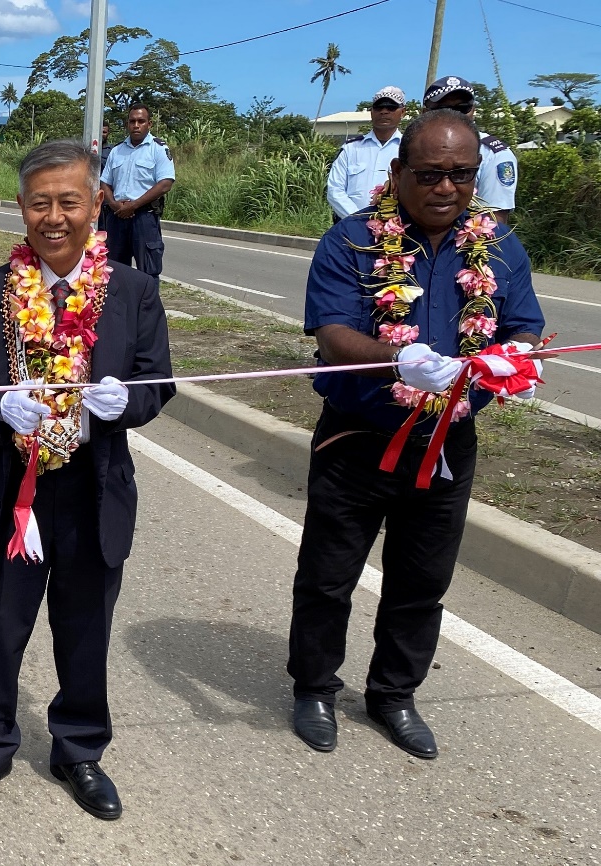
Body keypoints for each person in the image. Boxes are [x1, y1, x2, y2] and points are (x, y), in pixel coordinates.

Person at [288, 109, 545, 760]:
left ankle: (394, 694)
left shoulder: (500, 247)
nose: (446, 188)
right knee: (327, 576)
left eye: (462, 174)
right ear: (398, 173)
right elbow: (332, 333)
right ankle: (314, 687)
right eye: (430, 173)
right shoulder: (351, 242)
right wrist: (393, 359)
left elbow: (523, 326)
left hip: (448, 443)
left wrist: (519, 360)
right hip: (358, 437)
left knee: (422, 580)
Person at [0, 139, 174, 821]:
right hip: (8, 491)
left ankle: (79, 749)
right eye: (40, 203)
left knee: (84, 629)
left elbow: (159, 382)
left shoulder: (133, 292)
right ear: (19, 208)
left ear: (96, 202)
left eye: (69, 201)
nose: (55, 216)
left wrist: (128, 402)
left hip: (93, 489)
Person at [422, 76, 518, 222]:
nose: (454, 115)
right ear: (425, 113)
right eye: (443, 109)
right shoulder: (413, 148)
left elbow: (494, 222)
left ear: (473, 110)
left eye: (462, 108)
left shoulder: (494, 155)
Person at [100, 104, 175, 288]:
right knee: (114, 270)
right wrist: (115, 205)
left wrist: (133, 205)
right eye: (132, 121)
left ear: (149, 124)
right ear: (127, 124)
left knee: (148, 272)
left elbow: (165, 183)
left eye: (141, 121)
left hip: (144, 218)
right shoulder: (117, 151)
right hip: (117, 217)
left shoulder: (158, 149)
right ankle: (119, 313)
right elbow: (105, 182)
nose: (136, 125)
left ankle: (146, 315)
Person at [327, 86, 407, 225]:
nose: (384, 111)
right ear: (371, 112)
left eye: (391, 107)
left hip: (396, 231)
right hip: (350, 227)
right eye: (378, 107)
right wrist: (360, 220)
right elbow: (335, 190)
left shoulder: (409, 148)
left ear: (403, 112)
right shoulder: (351, 148)